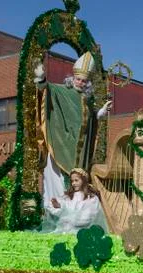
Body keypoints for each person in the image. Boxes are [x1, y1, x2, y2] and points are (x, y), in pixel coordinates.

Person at [33, 52, 112, 207]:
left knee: (77, 183)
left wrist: (100, 112)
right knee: (58, 180)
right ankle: (56, 208)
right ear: (73, 77)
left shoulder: (88, 99)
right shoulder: (62, 91)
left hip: (80, 151)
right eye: (78, 79)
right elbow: (45, 88)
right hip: (62, 144)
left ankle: (73, 208)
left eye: (84, 81)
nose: (80, 82)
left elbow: (89, 121)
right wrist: (41, 77)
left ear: (88, 82)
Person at [40, 168, 108, 234]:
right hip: (67, 227)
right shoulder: (70, 196)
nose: (74, 183)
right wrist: (58, 205)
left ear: (83, 180)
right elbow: (66, 206)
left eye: (76, 180)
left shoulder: (91, 198)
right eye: (72, 181)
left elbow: (90, 214)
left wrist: (75, 219)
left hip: (82, 229)